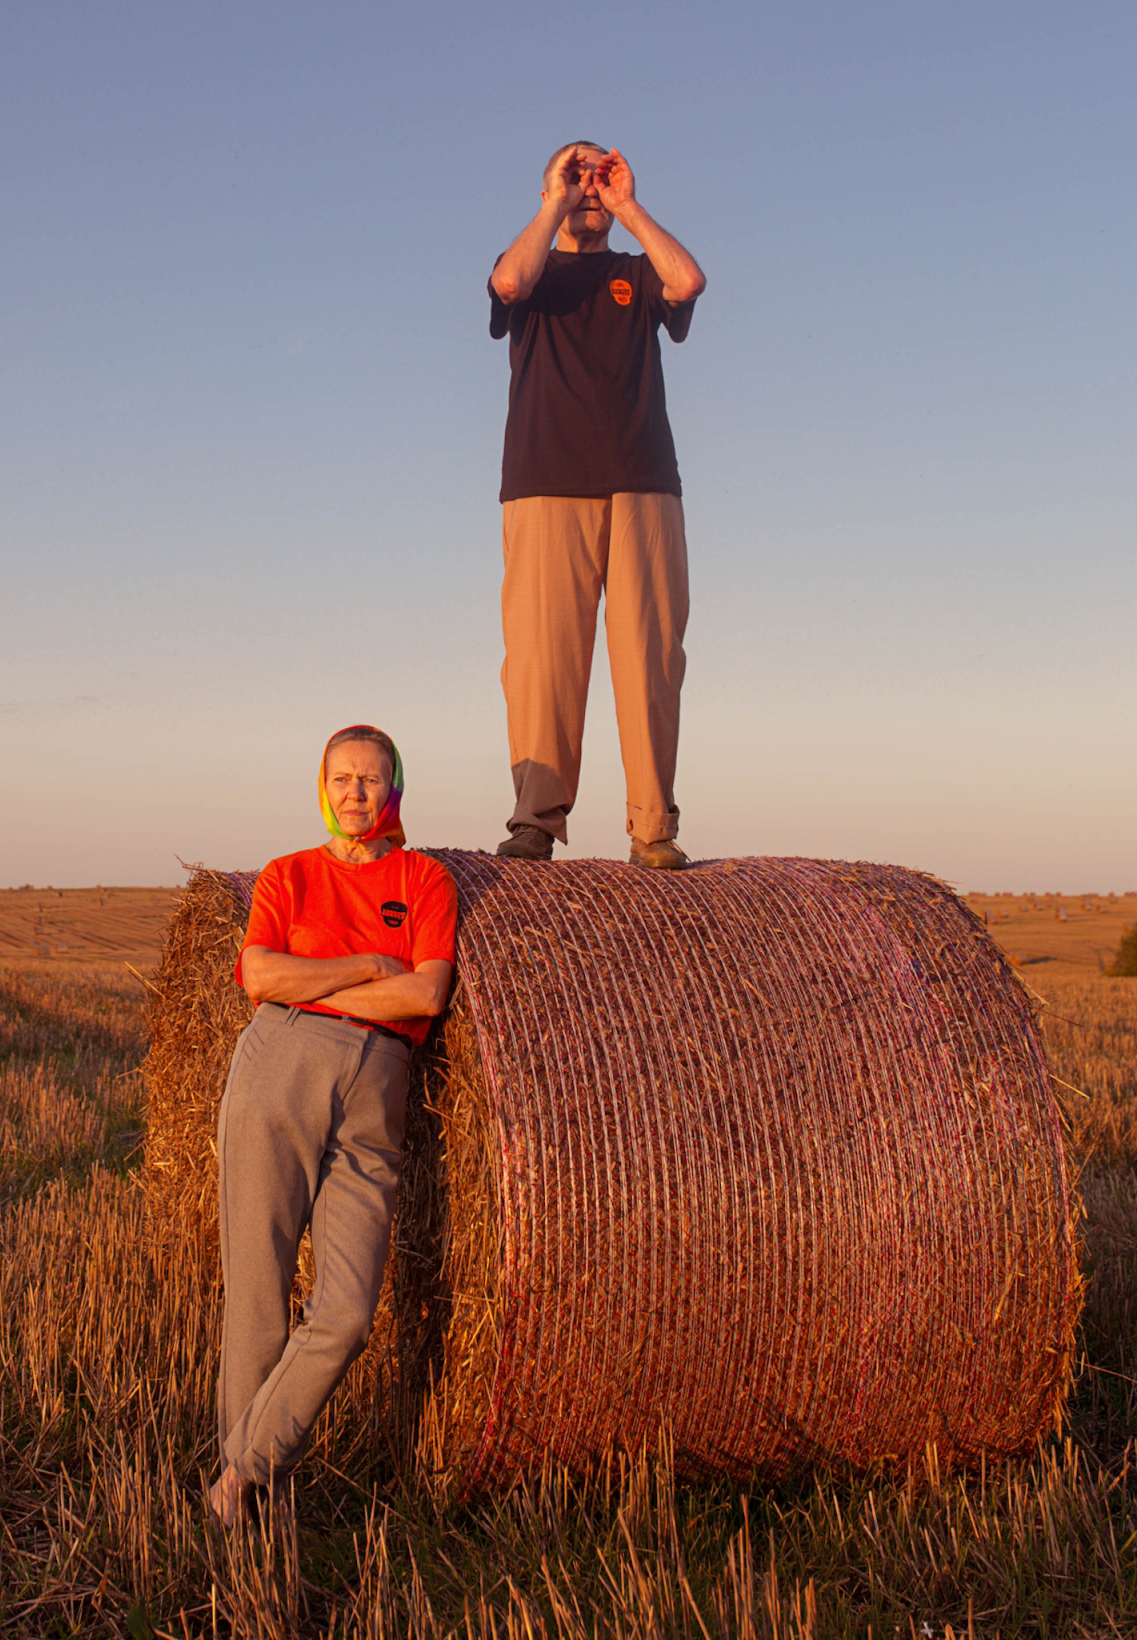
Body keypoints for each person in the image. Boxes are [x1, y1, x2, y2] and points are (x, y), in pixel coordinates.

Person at [208, 725, 456, 1526]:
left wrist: (310, 988)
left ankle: (243, 1468)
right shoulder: (287, 875)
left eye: (372, 780)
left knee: (348, 1313)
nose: (357, 792)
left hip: (377, 1087)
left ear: (395, 792)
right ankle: (248, 1504)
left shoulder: (425, 880)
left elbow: (424, 996)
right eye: (343, 779)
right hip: (279, 1066)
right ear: (323, 787)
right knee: (258, 1289)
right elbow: (257, 973)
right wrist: (361, 968)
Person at [487, 140, 706, 869]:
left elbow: (690, 279)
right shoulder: (535, 269)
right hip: (545, 481)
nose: (587, 186)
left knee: (651, 657)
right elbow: (509, 283)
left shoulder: (636, 274)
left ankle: (654, 828)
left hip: (644, 482)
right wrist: (554, 200)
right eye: (573, 173)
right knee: (542, 661)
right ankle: (535, 820)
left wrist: (627, 205)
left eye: (597, 174)